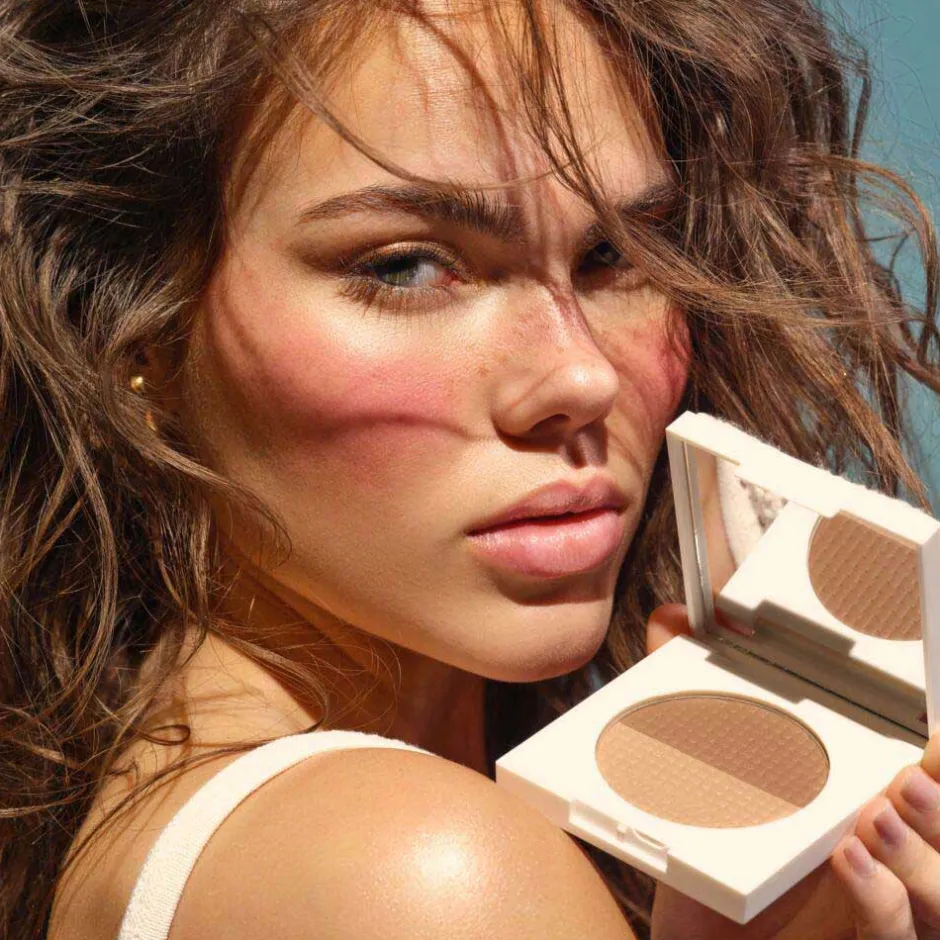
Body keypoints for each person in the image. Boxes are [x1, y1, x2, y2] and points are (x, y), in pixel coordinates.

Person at [1, 0, 939, 937]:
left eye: (614, 253)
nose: (581, 378)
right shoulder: (422, 875)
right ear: (140, 339)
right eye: (405, 268)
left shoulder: (161, 819)